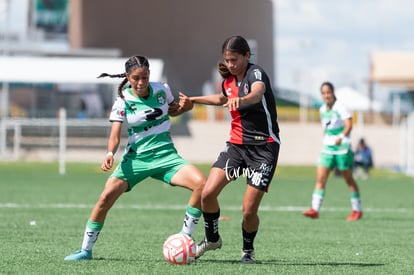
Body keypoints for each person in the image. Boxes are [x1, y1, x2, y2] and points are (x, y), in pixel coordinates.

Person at [64, 55, 206, 261]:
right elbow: (115, 134)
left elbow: (173, 111)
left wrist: (185, 108)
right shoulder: (122, 101)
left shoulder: (161, 89)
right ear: (128, 77)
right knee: (105, 198)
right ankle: (85, 250)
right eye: (136, 78)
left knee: (202, 184)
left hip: (166, 156)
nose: (141, 83)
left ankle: (185, 236)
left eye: (145, 78)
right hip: (136, 160)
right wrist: (110, 153)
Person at [180, 35, 281, 264]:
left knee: (248, 211)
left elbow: (256, 94)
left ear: (247, 56)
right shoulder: (228, 80)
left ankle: (247, 250)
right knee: (207, 193)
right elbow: (221, 98)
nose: (231, 64)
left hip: (263, 149)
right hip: (236, 147)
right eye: (227, 60)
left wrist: (242, 99)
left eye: (235, 59)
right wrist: (193, 100)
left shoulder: (256, 73)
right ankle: (212, 239)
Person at [303, 82, 363, 221]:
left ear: (333, 92)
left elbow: (349, 124)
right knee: (320, 178)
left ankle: (357, 210)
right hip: (328, 149)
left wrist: (341, 137)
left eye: (328, 92)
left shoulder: (340, 107)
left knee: (348, 179)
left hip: (342, 149)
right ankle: (315, 209)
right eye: (323, 93)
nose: (326, 95)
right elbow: (326, 127)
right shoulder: (322, 109)